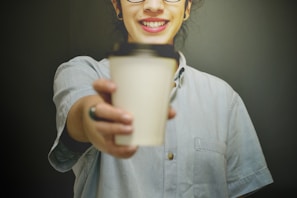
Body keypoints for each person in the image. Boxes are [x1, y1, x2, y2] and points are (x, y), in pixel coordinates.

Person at [48, 0, 273, 197]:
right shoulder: (83, 73)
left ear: (187, 7)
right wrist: (95, 120)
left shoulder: (224, 99)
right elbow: (82, 114)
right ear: (118, 5)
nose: (153, 5)